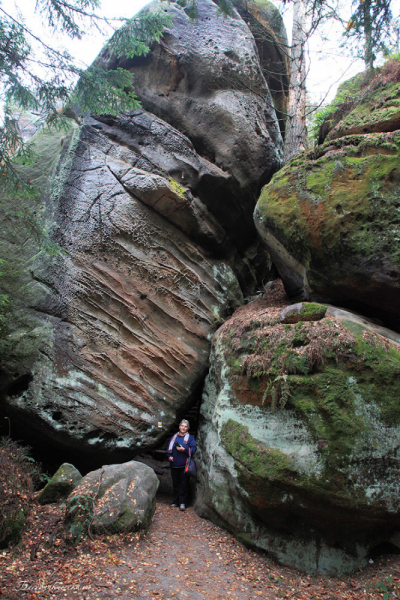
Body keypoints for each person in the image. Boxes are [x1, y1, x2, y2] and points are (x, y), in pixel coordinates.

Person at [166, 419, 196, 511]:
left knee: (184, 483)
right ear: (179, 427)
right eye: (182, 426)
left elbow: (194, 449)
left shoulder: (190, 438)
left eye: (185, 426)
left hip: (184, 465)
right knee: (176, 483)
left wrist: (185, 450)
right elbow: (168, 449)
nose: (183, 428)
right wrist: (169, 456)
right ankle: (175, 501)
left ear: (188, 428)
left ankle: (182, 502)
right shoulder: (174, 437)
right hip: (174, 464)